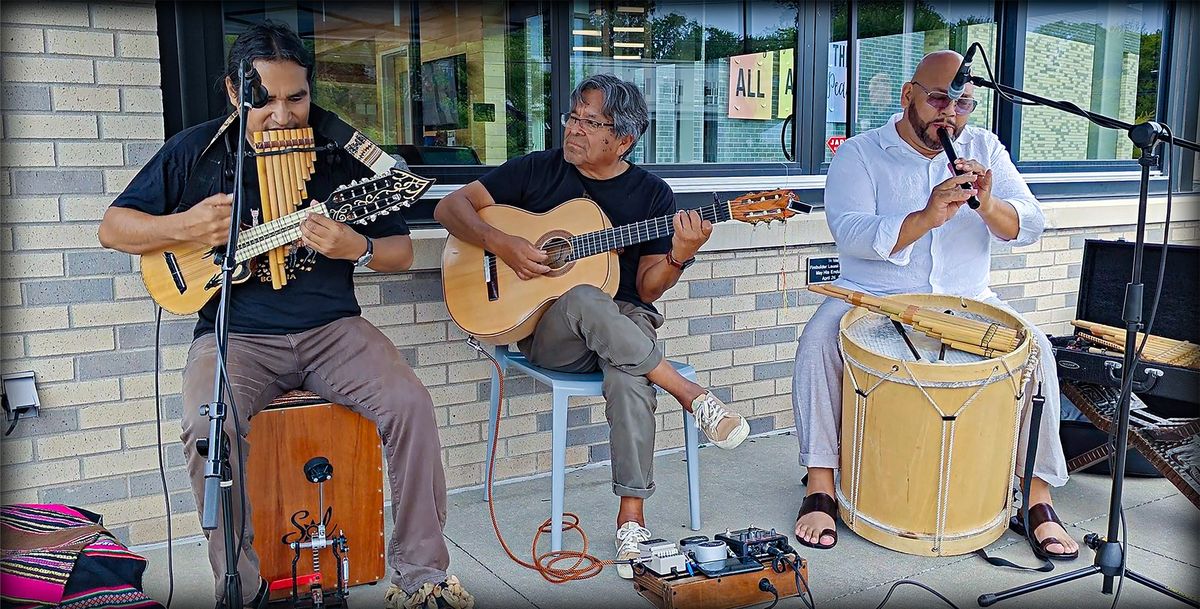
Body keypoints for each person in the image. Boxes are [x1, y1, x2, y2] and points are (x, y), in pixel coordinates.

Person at [98, 23, 473, 609]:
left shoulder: (341, 155)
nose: (282, 115)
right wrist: (186, 227)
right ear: (232, 92)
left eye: (295, 98)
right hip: (237, 335)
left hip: (333, 331)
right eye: (264, 100)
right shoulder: (195, 151)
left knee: (412, 406)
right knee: (207, 428)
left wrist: (360, 248)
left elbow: (399, 252)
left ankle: (422, 576)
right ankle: (241, 589)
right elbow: (113, 227)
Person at [435, 73, 751, 578]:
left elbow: (647, 289)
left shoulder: (652, 195)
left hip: (626, 323)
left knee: (628, 370)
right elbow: (448, 207)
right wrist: (503, 244)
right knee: (583, 296)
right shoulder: (537, 169)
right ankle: (689, 393)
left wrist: (679, 254)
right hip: (551, 334)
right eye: (573, 117)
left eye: (590, 122)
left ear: (623, 139)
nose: (574, 130)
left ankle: (632, 522)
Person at [790, 51, 1079, 562]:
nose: (951, 113)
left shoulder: (984, 147)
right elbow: (850, 232)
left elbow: (1029, 223)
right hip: (876, 296)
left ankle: (1036, 497)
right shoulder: (860, 153)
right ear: (909, 96)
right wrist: (926, 216)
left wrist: (987, 204)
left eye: (963, 103)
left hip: (968, 299)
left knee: (1039, 353)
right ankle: (820, 484)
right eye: (939, 98)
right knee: (817, 344)